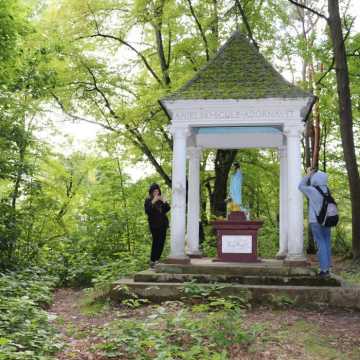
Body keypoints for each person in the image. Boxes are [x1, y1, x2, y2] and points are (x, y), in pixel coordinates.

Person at [298, 168, 332, 277]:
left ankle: (323, 269)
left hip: (316, 221)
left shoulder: (313, 190)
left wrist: (308, 174)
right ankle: (327, 268)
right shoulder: (327, 189)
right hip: (328, 220)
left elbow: (300, 186)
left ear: (315, 179)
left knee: (321, 243)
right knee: (326, 242)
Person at [144, 183, 170, 268]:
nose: (156, 192)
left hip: (163, 224)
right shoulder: (148, 200)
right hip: (154, 225)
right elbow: (148, 211)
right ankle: (152, 260)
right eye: (154, 191)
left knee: (161, 242)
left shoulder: (160, 200)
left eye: (157, 191)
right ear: (151, 192)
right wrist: (153, 201)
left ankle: (157, 260)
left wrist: (165, 201)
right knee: (156, 242)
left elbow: (167, 209)